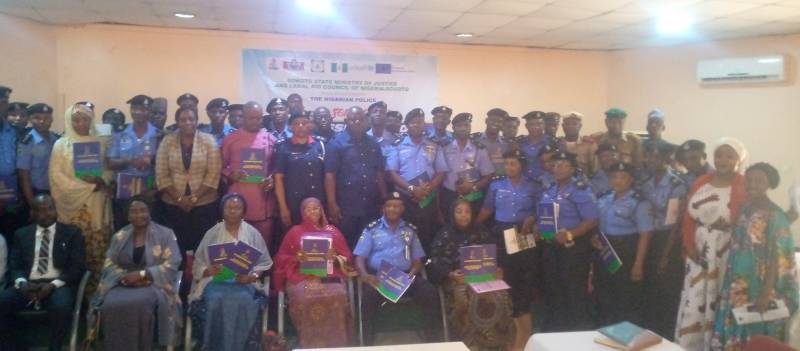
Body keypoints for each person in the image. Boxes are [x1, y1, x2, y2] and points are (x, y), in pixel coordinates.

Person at [711, 162, 799, 350]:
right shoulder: (746, 207)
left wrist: (766, 292)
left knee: (753, 328)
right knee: (735, 321)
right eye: (749, 180)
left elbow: (780, 257)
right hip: (737, 280)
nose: (752, 185)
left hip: (758, 283)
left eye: (759, 181)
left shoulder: (775, 215)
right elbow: (748, 237)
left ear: (769, 184)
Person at [675, 138, 748, 351]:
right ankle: (691, 344)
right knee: (694, 298)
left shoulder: (744, 184)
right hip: (698, 249)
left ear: (739, 159)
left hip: (725, 251)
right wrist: (688, 244)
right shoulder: (701, 181)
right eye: (719, 154)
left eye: (729, 155)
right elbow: (688, 217)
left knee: (719, 298)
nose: (723, 159)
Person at [87, 198, 182, 351]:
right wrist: (124, 278)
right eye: (134, 211)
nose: (139, 215)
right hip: (122, 283)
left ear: (149, 213)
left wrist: (143, 275)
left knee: (141, 304)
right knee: (109, 305)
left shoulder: (165, 234)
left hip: (153, 283)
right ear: (128, 216)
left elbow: (173, 263)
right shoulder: (119, 236)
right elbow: (109, 264)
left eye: (143, 210)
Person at [0, 194, 86, 351]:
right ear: (32, 213)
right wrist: (21, 282)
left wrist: (52, 285)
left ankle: (55, 348)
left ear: (55, 210)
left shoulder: (72, 233)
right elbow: (15, 264)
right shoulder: (22, 234)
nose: (45, 214)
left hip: (58, 284)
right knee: (2, 301)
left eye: (49, 210)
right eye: (39, 210)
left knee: (62, 306)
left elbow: (76, 267)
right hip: (28, 283)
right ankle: (13, 347)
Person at [354, 192, 442, 344]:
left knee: (429, 292)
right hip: (379, 279)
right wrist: (365, 275)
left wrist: (412, 274)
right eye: (389, 206)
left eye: (396, 206)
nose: (392, 209)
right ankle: (367, 343)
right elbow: (359, 258)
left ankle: (433, 341)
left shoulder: (409, 230)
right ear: (383, 209)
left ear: (402, 209)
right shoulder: (372, 230)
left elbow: (417, 259)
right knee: (367, 297)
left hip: (406, 277)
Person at [189, 193, 273, 351]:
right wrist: (208, 270)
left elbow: (263, 263)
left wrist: (251, 277)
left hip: (244, 283)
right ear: (222, 210)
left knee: (244, 300)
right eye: (229, 207)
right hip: (215, 282)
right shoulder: (212, 233)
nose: (232, 211)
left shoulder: (253, 234)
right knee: (214, 301)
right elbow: (198, 263)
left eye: (237, 208)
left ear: (244, 212)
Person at [429, 199, 515, 350]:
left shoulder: (481, 230)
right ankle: (470, 344)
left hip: (484, 277)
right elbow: (435, 261)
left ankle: (498, 343)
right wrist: (450, 274)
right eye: (459, 212)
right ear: (452, 214)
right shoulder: (444, 234)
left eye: (467, 212)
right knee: (465, 298)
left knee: (501, 295)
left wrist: (498, 269)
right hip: (458, 279)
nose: (464, 216)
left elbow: (496, 254)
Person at [476, 150, 539, 349]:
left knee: (522, 277)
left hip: (522, 233)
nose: (509, 167)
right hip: (500, 233)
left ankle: (523, 323)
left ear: (522, 165)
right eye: (507, 163)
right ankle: (507, 324)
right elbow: (487, 209)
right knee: (503, 277)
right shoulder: (496, 184)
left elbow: (541, 210)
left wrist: (533, 219)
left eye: (514, 163)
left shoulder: (533, 186)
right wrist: (472, 227)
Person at [274, 197, 354, 348]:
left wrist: (335, 258)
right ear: (302, 212)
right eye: (308, 209)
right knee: (303, 297)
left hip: (330, 276)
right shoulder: (294, 232)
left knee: (337, 294)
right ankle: (309, 345)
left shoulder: (333, 231)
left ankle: (337, 345)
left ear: (321, 210)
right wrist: (296, 258)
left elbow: (348, 257)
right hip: (301, 276)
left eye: (316, 208)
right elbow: (281, 258)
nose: (312, 212)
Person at [49, 103, 112, 292]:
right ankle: (72, 296)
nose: (81, 123)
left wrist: (101, 180)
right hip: (73, 206)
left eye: (85, 119)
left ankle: (96, 297)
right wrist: (88, 187)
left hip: (97, 204)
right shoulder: (61, 145)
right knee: (76, 253)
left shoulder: (100, 142)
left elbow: (109, 171)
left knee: (97, 251)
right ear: (69, 121)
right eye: (76, 119)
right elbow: (56, 177)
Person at [538, 151, 599, 332]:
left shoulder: (579, 190)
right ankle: (555, 332)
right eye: (556, 164)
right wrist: (538, 225)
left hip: (572, 248)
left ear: (573, 169)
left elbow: (592, 219)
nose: (558, 168)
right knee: (553, 289)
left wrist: (571, 234)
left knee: (573, 291)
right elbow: (545, 214)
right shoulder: (550, 189)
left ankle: (576, 333)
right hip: (551, 247)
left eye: (564, 165)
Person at [155, 107, 221, 263]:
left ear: (197, 121)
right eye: (183, 119)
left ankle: (200, 281)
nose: (187, 123)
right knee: (176, 246)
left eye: (191, 119)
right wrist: (179, 199)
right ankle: (180, 281)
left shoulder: (208, 140)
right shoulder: (167, 141)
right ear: (177, 122)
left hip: (204, 204)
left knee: (203, 247)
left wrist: (195, 198)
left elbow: (214, 173)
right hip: (173, 205)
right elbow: (161, 174)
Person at [594, 162, 653, 326]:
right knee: (604, 292)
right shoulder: (604, 197)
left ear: (631, 180)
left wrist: (638, 264)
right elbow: (597, 222)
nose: (617, 181)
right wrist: (594, 237)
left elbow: (645, 235)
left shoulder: (639, 202)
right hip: (605, 249)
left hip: (626, 250)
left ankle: (625, 335)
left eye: (623, 177)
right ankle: (605, 331)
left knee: (625, 295)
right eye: (614, 177)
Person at [638, 141, 688, 338]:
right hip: (647, 239)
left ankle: (665, 337)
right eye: (649, 156)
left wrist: (666, 255)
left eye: (657, 157)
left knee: (666, 291)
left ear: (668, 160)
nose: (652, 160)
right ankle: (648, 333)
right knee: (649, 289)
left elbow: (675, 224)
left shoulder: (677, 185)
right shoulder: (645, 182)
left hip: (668, 241)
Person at [387, 108, 448, 251]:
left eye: (420, 122)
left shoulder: (434, 145)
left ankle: (426, 268)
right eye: (413, 123)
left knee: (427, 234)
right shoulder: (397, 145)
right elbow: (392, 173)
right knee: (404, 235)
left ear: (424, 125)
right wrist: (412, 189)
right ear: (407, 125)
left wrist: (427, 190)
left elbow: (441, 172)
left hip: (428, 198)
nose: (417, 125)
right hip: (405, 198)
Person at [324, 106, 386, 247]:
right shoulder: (336, 143)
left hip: (370, 203)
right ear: (346, 121)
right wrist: (332, 204)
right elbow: (330, 175)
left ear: (366, 121)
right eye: (353, 120)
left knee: (367, 242)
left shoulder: (373, 144)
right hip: (346, 205)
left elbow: (379, 173)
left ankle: (363, 269)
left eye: (361, 119)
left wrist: (384, 199)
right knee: (346, 242)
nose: (357, 122)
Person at [221, 101, 277, 246]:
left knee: (262, 247)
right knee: (237, 249)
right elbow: (219, 166)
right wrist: (230, 174)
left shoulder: (270, 139)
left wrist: (272, 179)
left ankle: (262, 270)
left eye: (258, 118)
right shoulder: (231, 139)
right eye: (251, 118)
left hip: (263, 203)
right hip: (237, 202)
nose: (255, 121)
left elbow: (277, 169)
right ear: (243, 118)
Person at [107, 95, 159, 230]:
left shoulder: (159, 134)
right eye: (135, 108)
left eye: (144, 109)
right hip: (124, 190)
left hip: (148, 189)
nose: (139, 112)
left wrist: (154, 188)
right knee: (123, 231)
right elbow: (110, 163)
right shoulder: (120, 132)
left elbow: (164, 166)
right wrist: (130, 161)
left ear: (150, 111)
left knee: (149, 231)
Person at [274, 111, 326, 230]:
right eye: (296, 123)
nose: (301, 126)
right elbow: (278, 178)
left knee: (317, 237)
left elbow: (326, 175)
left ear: (310, 125)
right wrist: (283, 207)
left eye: (304, 123)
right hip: (293, 203)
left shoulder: (321, 145)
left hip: (317, 202)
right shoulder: (283, 147)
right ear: (290, 127)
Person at [441, 113, 494, 216]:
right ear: (453, 128)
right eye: (459, 126)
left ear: (470, 128)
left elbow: (488, 175)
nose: (463, 128)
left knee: (471, 225)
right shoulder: (444, 148)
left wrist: (474, 187)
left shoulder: (479, 149)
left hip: (473, 195)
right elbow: (440, 173)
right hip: (449, 195)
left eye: (466, 125)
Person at [17, 103, 59, 204]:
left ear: (52, 119)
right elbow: (23, 175)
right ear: (30, 119)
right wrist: (32, 202)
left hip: (56, 191)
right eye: (37, 117)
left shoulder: (56, 139)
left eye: (46, 118)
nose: (42, 121)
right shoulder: (27, 142)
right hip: (37, 192)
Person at [558, 111, 596, 175]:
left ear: (580, 126)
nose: (570, 126)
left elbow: (594, 169)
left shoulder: (589, 145)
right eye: (567, 124)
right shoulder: (557, 143)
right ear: (563, 126)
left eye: (574, 124)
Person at [519, 111, 552, 181]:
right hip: (524, 184)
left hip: (545, 184)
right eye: (532, 124)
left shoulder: (553, 143)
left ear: (544, 125)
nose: (536, 127)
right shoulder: (520, 142)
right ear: (526, 126)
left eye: (539, 124)